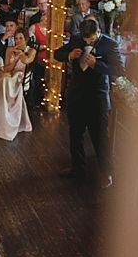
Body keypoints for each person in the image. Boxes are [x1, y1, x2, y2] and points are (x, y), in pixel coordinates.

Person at [53, 18, 123, 189]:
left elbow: (119, 70)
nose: (87, 42)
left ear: (98, 32)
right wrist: (69, 55)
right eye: (86, 40)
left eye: (90, 40)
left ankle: (106, 173)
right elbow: (57, 54)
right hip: (76, 93)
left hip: (97, 96)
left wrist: (97, 65)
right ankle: (78, 169)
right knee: (75, 134)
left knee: (100, 137)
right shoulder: (76, 39)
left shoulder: (110, 44)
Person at [0, 30, 35, 141]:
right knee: (0, 80)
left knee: (6, 82)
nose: (18, 41)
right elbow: (7, 68)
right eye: (16, 38)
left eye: (21, 38)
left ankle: (9, 120)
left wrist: (20, 54)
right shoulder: (9, 49)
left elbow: (27, 60)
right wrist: (14, 60)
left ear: (26, 39)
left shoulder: (31, 51)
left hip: (20, 75)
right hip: (10, 72)